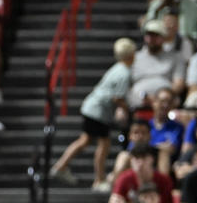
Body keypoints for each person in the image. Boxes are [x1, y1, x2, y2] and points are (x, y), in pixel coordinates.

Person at [50, 37, 136, 189]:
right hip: (98, 110)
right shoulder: (124, 73)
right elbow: (117, 97)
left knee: (85, 140)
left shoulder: (117, 67)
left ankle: (60, 167)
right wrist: (129, 108)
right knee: (103, 144)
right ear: (131, 54)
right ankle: (99, 180)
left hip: (92, 106)